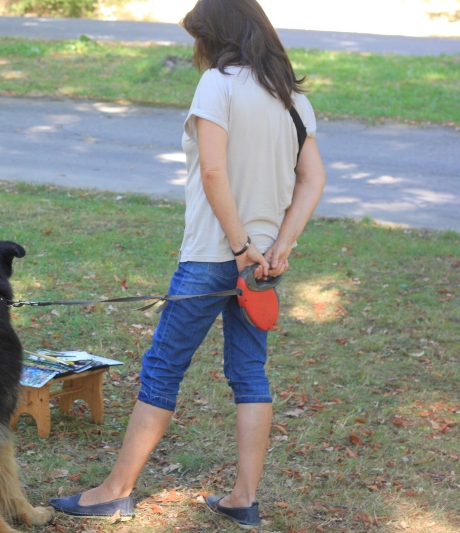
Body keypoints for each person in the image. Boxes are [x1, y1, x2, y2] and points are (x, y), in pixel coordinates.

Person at [49, 0, 326, 529]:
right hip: (261, 267)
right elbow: (313, 179)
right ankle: (244, 498)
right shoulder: (290, 97)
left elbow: (214, 174)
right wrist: (280, 246)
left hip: (214, 255)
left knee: (163, 367)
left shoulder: (218, 85)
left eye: (199, 37)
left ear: (217, 35)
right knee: (250, 373)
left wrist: (239, 244)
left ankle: (114, 491)